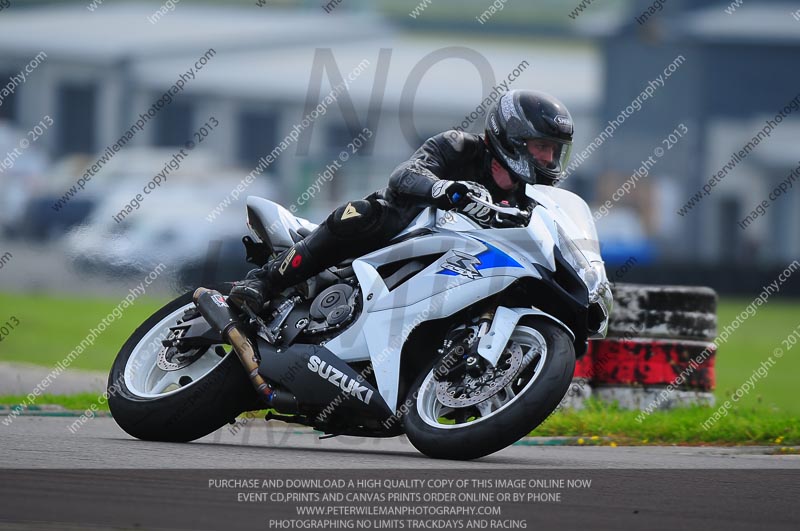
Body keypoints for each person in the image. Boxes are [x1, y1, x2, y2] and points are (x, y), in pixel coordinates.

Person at [229, 89, 574, 311]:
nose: (547, 159)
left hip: (460, 262)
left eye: (553, 151)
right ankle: (264, 280)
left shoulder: (529, 198)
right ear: (513, 137)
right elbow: (405, 175)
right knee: (363, 214)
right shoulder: (458, 146)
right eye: (541, 147)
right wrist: (442, 190)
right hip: (403, 229)